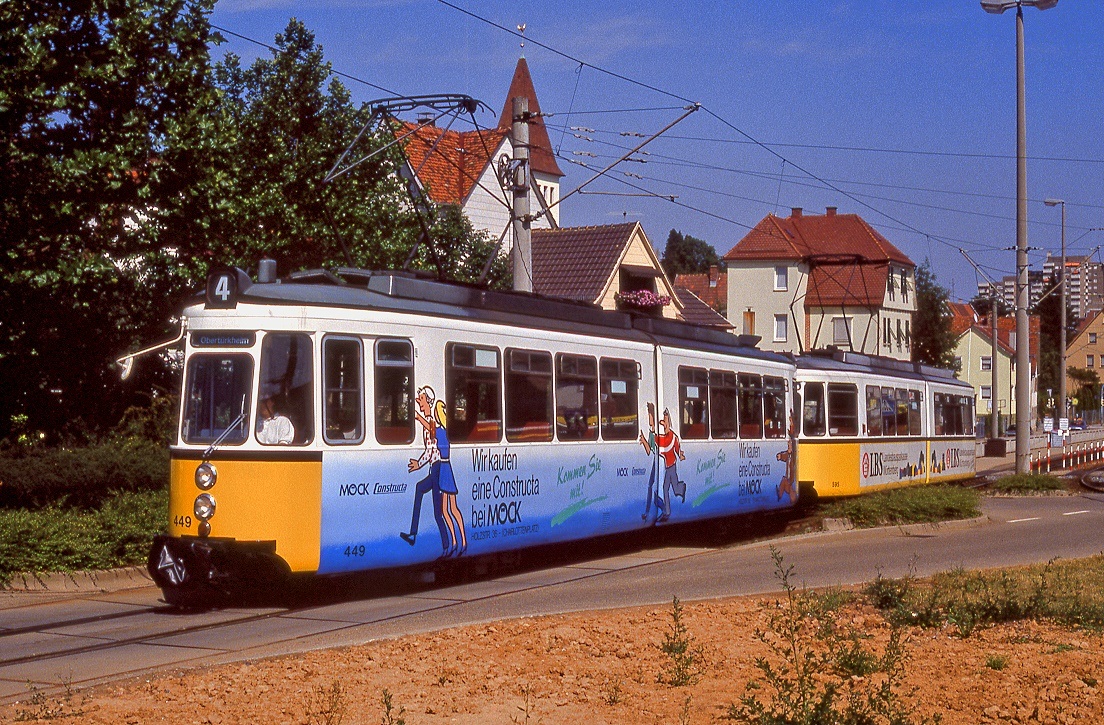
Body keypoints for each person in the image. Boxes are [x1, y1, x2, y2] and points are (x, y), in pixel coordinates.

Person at [400, 387, 449, 552]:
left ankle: (446, 546)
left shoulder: (432, 422)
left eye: (420, 399)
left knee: (437, 513)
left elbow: (431, 448)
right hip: (434, 469)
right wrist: (419, 464)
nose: (418, 402)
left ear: (428, 401)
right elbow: (429, 450)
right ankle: (413, 534)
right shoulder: (428, 422)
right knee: (419, 488)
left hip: (437, 469)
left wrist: (418, 464)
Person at [433, 399, 467, 557]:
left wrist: (420, 418)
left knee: (450, 509)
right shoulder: (446, 431)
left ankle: (461, 541)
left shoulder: (441, 432)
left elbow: (429, 428)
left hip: (445, 469)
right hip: (445, 469)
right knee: (447, 509)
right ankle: (456, 542)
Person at [654, 408, 686, 522]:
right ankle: (667, 512)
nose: (664, 424)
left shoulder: (671, 437)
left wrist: (680, 455)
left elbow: (667, 445)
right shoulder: (668, 436)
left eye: (666, 422)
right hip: (669, 466)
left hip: (671, 466)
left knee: (672, 488)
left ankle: (681, 489)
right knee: (666, 488)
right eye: (663, 422)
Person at [638, 403, 663, 520]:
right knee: (651, 485)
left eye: (650, 415)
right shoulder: (652, 432)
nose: (648, 417)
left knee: (652, 485)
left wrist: (644, 441)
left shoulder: (657, 433)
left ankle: (661, 508)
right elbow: (649, 451)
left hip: (659, 460)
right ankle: (649, 511)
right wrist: (644, 440)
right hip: (655, 460)